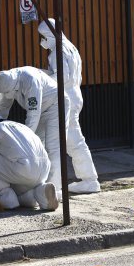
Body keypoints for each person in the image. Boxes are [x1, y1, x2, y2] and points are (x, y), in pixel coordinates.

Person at [38, 18, 101, 194]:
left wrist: (41, 79)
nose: (41, 41)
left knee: (60, 142)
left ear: (50, 34)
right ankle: (88, 179)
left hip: (64, 100)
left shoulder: (57, 52)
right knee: (72, 141)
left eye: (43, 36)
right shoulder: (70, 48)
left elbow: (61, 77)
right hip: (74, 96)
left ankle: (60, 183)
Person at [0, 66, 70, 201]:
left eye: (11, 91)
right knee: (37, 149)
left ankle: (55, 189)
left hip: (56, 105)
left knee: (53, 147)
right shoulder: (4, 81)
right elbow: (2, 107)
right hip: (40, 109)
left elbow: (33, 114)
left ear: (15, 84)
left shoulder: (30, 79)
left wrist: (24, 139)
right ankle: (38, 185)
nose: (9, 95)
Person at [0, 113, 58, 210]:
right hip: (44, 169)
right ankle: (39, 191)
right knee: (22, 185)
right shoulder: (21, 126)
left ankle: (5, 196)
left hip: (24, 168)